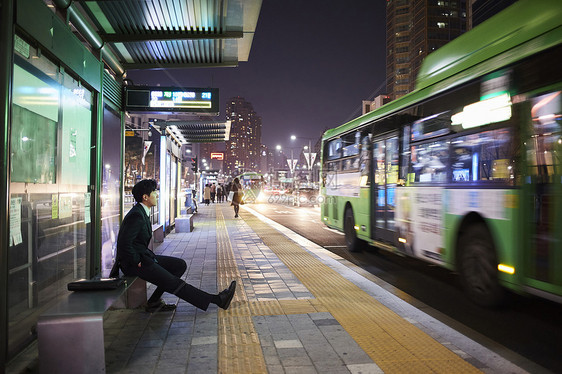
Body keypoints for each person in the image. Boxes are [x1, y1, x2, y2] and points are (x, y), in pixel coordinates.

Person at [115, 179, 236, 312]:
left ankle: (154, 301)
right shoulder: (136, 215)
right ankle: (217, 300)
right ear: (145, 197)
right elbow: (124, 243)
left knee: (179, 265)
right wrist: (136, 260)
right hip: (135, 264)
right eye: (154, 193)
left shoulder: (142, 211)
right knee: (173, 283)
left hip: (144, 258)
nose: (157, 195)